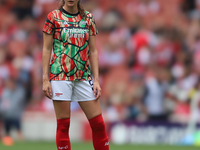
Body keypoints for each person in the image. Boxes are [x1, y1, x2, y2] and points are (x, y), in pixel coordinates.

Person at [42, 0, 109, 150]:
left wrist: (96, 80)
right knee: (64, 125)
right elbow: (46, 49)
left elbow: (93, 51)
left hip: (83, 76)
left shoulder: (88, 18)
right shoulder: (53, 17)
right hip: (60, 75)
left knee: (98, 124)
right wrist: (45, 78)